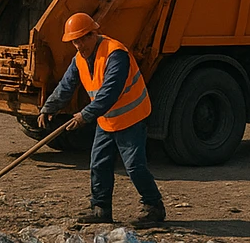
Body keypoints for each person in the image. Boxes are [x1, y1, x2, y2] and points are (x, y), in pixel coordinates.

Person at [38, 12, 165, 227]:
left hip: (131, 116)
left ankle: (154, 207)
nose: (78, 45)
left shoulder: (115, 54)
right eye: (74, 41)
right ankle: (100, 209)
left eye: (81, 39)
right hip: (107, 119)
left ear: (93, 34)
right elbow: (66, 86)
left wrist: (84, 116)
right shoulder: (79, 59)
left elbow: (109, 93)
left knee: (134, 166)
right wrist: (49, 108)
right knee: (99, 163)